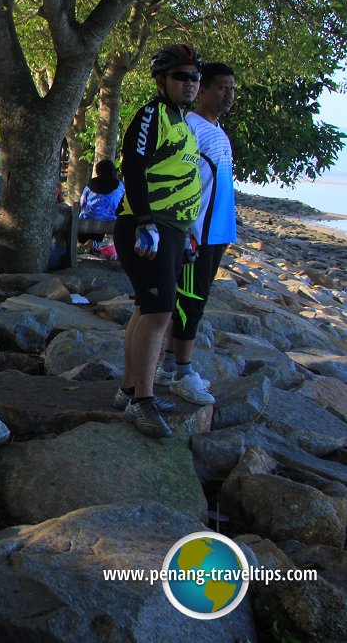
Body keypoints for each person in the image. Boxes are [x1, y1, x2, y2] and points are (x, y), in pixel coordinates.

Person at [111, 44, 203, 438]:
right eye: (181, 77)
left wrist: (184, 235)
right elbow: (132, 163)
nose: (190, 84)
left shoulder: (180, 119)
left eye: (195, 77)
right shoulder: (152, 114)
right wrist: (147, 221)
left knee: (145, 308)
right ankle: (142, 404)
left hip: (171, 230)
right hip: (148, 227)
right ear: (162, 81)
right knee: (159, 313)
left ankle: (130, 390)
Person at [155, 63, 238, 404]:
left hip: (217, 232)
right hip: (196, 233)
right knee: (191, 302)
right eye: (222, 88)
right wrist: (186, 229)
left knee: (192, 299)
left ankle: (170, 366)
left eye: (232, 89)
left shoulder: (219, 131)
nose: (229, 94)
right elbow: (177, 180)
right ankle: (183, 373)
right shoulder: (191, 127)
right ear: (202, 90)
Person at [78, 159, 125, 252]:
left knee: (87, 215)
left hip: (88, 219)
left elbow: (82, 203)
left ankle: (85, 244)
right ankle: (94, 244)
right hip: (111, 220)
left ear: (97, 171)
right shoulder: (120, 185)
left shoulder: (90, 184)